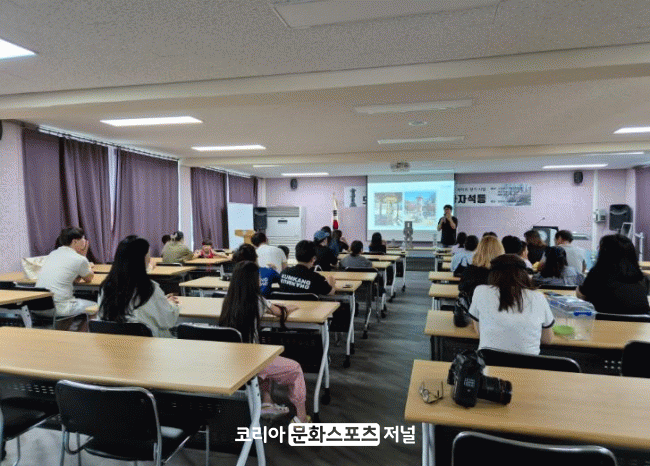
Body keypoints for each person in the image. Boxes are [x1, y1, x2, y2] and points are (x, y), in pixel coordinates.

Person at [219, 261, 309, 423]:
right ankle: (302, 418)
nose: (261, 279)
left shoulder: (228, 300)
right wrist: (292, 307)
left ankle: (267, 401)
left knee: (264, 352)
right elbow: (279, 312)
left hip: (232, 360)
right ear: (253, 280)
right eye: (258, 276)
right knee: (295, 369)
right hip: (252, 362)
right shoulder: (257, 300)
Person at [468, 254, 554, 355]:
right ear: (524, 274)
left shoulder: (480, 291)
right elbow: (547, 339)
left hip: (488, 363)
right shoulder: (538, 297)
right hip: (528, 364)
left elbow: (479, 332)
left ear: (492, 274)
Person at [98, 236, 179, 338]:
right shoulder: (149, 288)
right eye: (148, 255)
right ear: (141, 260)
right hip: (149, 345)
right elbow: (168, 320)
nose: (150, 259)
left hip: (113, 344)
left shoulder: (106, 287)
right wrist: (171, 304)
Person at [35, 227, 95, 327]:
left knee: (70, 310)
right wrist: (84, 256)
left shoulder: (53, 254)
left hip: (38, 305)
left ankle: (64, 334)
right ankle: (81, 335)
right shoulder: (79, 259)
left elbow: (70, 276)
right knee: (95, 307)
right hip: (59, 307)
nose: (85, 241)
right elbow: (89, 278)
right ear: (75, 241)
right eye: (83, 238)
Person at [577, 234, 650, 315]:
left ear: (604, 253)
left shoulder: (597, 274)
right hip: (641, 321)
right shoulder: (641, 278)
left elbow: (583, 295)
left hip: (605, 321)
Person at [458, 235, 505, 301]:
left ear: (479, 250)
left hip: (473, 306)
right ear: (500, 251)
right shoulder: (505, 274)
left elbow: (461, 288)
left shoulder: (470, 271)